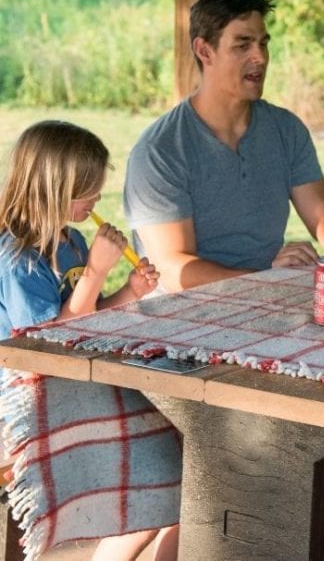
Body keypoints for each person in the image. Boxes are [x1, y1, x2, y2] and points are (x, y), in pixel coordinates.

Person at [123, 0, 324, 293]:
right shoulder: (160, 150)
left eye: (263, 43)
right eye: (243, 45)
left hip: (269, 293)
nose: (259, 57)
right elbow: (173, 270)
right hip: (185, 314)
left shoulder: (285, 129)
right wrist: (262, 276)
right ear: (205, 51)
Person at [0, 120, 173, 561]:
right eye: (88, 190)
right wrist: (96, 270)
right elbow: (47, 342)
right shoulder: (20, 257)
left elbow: (85, 317)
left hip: (71, 380)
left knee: (171, 447)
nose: (97, 199)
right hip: (26, 395)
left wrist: (129, 291)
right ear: (55, 188)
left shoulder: (71, 241)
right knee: (160, 462)